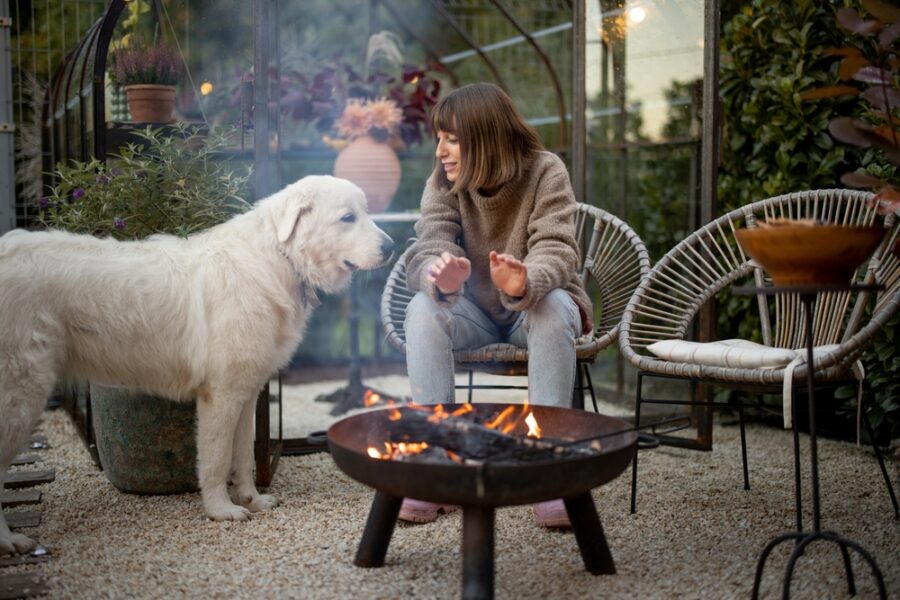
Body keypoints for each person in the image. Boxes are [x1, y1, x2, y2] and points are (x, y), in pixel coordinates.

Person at [399, 83, 593, 527]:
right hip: (475, 316)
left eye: (451, 139)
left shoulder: (545, 171)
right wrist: (438, 277)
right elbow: (428, 245)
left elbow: (558, 248)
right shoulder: (444, 183)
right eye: (438, 139)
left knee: (552, 306)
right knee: (422, 310)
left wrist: (526, 280)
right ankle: (437, 466)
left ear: (484, 136)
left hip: (531, 311)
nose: (440, 152)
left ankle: (546, 472)